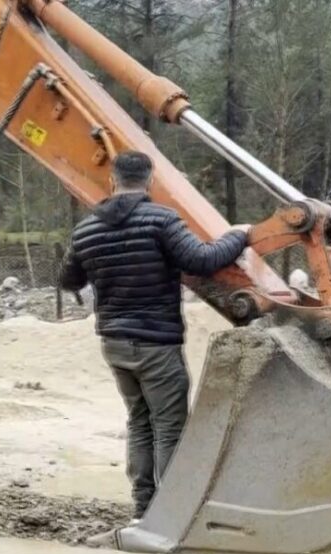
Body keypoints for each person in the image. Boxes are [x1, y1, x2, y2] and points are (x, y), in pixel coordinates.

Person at [58, 151, 250, 521]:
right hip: (156, 343)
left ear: (112, 181)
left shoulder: (86, 230)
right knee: (169, 426)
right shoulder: (161, 220)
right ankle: (173, 513)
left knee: (138, 420)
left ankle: (144, 508)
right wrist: (239, 236)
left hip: (114, 343)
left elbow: (68, 281)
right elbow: (202, 260)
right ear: (149, 181)